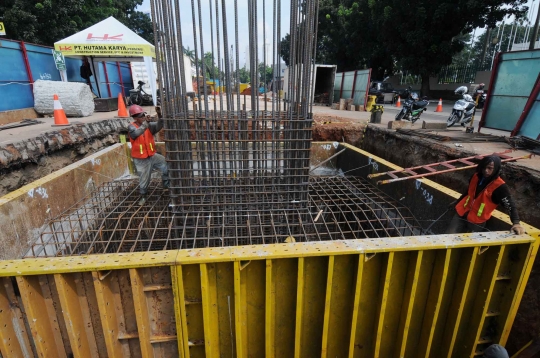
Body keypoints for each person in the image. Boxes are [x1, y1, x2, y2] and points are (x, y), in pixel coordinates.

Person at [446, 155, 524, 235]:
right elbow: (468, 192)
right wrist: (457, 202)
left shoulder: (499, 186)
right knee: (449, 235)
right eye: (484, 167)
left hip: (477, 221)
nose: (486, 171)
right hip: (462, 212)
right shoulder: (476, 176)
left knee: (470, 244)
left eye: (490, 168)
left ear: (496, 169)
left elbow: (510, 204)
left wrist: (516, 223)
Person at [128, 105, 169, 205]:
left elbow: (160, 125)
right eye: (141, 116)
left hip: (152, 156)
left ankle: (166, 187)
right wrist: (146, 123)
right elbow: (136, 133)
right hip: (141, 159)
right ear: (135, 118)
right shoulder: (132, 127)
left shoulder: (149, 126)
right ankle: (143, 196)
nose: (143, 117)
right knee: (144, 179)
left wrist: (159, 115)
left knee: (165, 165)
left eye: (143, 115)